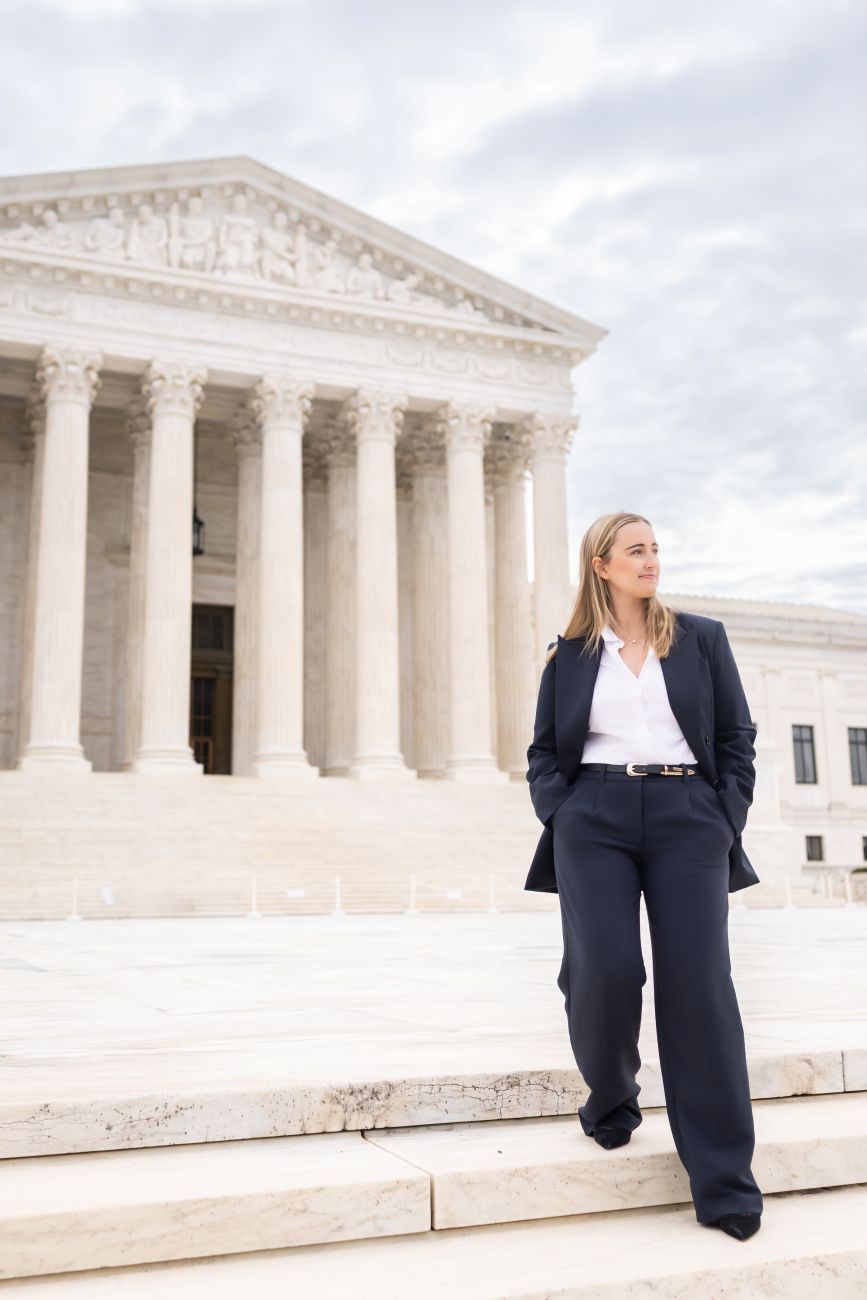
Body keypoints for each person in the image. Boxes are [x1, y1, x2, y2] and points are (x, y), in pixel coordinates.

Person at [525, 511, 763, 1241]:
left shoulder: (699, 639)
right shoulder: (567, 654)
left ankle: (724, 1181)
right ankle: (612, 1097)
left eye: (655, 549)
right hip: (592, 815)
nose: (651, 560)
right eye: (635, 551)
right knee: (603, 972)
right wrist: (560, 812)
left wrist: (724, 813)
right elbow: (542, 750)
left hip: (687, 813)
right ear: (601, 564)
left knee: (698, 986)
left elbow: (734, 736)